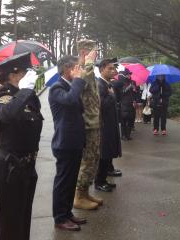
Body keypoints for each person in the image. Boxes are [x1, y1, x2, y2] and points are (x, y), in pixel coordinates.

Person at [0, 53, 43, 240]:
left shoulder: (27, 96)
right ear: (13, 75)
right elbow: (6, 116)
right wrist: (25, 90)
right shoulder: (3, 96)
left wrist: (27, 93)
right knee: (9, 221)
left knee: (23, 217)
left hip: (26, 167)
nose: (28, 75)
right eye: (24, 71)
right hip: (10, 168)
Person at [49, 55, 88, 231]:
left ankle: (67, 213)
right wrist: (78, 81)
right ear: (67, 69)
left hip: (74, 141)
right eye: (77, 67)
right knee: (63, 181)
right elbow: (71, 100)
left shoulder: (71, 86)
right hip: (64, 143)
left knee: (71, 180)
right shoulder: (57, 88)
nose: (80, 71)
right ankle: (59, 218)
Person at [74, 39, 103, 210]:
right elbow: (82, 80)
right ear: (85, 52)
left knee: (94, 159)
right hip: (87, 123)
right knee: (87, 160)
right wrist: (89, 61)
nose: (96, 54)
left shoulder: (88, 69)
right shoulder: (82, 68)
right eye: (93, 52)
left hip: (94, 121)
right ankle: (79, 195)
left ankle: (85, 192)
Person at [95, 58, 122, 192]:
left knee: (108, 153)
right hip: (104, 126)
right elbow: (101, 106)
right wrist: (111, 96)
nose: (114, 71)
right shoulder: (100, 85)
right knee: (103, 155)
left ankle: (104, 178)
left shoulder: (108, 84)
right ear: (101, 70)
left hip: (110, 124)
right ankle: (99, 181)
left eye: (114, 68)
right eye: (110, 69)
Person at [118, 69, 137, 140]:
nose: (129, 75)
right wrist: (129, 87)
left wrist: (134, 90)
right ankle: (123, 135)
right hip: (124, 103)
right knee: (124, 120)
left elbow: (135, 93)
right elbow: (122, 92)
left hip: (131, 103)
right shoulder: (121, 82)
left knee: (130, 120)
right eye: (128, 74)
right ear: (125, 75)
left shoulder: (133, 82)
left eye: (130, 74)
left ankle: (128, 135)